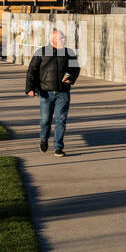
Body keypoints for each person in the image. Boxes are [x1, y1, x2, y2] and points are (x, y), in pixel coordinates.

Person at [25, 28, 80, 156]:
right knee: (45, 120)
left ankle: (58, 147)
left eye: (63, 38)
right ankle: (44, 138)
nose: (63, 40)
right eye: (61, 38)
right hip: (45, 92)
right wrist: (30, 88)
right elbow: (31, 71)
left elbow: (75, 69)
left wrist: (71, 79)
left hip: (63, 92)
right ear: (53, 40)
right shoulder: (42, 52)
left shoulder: (69, 53)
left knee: (61, 119)